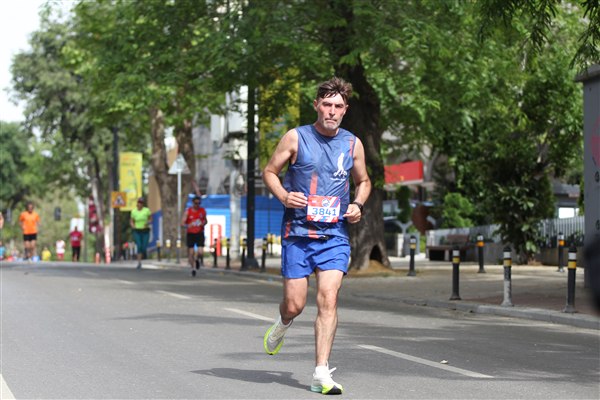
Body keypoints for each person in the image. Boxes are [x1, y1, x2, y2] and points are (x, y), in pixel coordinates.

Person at [262, 77, 371, 395]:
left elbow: (364, 181)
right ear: (316, 105)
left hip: (334, 234)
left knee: (328, 298)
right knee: (294, 304)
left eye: (338, 106)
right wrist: (284, 196)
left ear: (345, 110)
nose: (332, 111)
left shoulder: (352, 144)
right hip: (298, 234)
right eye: (327, 104)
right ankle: (283, 322)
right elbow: (269, 172)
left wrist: (357, 204)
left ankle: (321, 372)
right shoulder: (296, 137)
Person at [181, 195, 207, 277]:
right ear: (193, 203)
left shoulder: (202, 211)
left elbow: (205, 220)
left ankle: (197, 260)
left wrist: (203, 223)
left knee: (200, 252)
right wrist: (188, 225)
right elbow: (182, 223)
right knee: (191, 252)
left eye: (199, 203)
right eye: (196, 203)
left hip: (199, 233)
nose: (197, 205)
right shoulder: (188, 211)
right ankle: (193, 268)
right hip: (191, 234)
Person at [130, 197, 152, 269]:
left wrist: (148, 223)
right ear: (137, 204)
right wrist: (133, 226)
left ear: (143, 204)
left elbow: (150, 219)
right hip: (137, 231)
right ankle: (139, 262)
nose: (140, 204)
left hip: (145, 230)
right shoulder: (134, 212)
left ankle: (142, 254)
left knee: (144, 246)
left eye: (141, 203)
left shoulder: (147, 210)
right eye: (139, 202)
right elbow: (132, 221)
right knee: (139, 245)